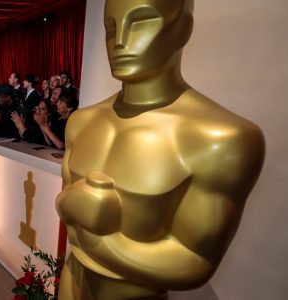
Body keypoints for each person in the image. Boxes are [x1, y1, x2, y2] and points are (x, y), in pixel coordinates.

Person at [56, 0, 265, 299]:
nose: (120, 41)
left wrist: (101, 241)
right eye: (110, 28)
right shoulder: (80, 122)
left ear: (184, 28)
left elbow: (195, 261)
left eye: (141, 22)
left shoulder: (222, 139)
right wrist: (76, 208)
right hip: (71, 282)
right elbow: (66, 207)